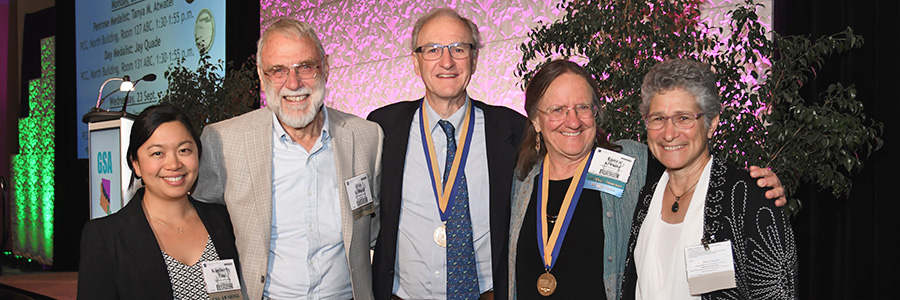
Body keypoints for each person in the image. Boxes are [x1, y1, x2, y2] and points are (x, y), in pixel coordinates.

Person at [507, 60, 788, 300]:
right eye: (558, 109)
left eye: (583, 107)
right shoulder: (523, 181)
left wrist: (759, 189)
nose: (573, 120)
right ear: (535, 120)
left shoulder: (633, 164)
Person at [192, 18, 384, 300]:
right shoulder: (223, 141)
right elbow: (202, 230)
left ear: (325, 68)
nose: (293, 83)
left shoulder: (367, 137)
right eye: (278, 70)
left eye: (305, 66)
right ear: (262, 77)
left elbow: (375, 228)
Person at [368, 7, 527, 300]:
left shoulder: (513, 130)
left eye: (458, 49)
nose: (447, 61)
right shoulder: (382, 128)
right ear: (416, 62)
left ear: (474, 59)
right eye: (432, 50)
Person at [621, 58, 797, 299]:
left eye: (683, 118)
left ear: (711, 124)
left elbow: (778, 293)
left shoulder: (748, 196)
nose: (669, 134)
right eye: (658, 118)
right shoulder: (646, 197)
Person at [78, 104, 240, 299]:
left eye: (184, 150)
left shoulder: (223, 219)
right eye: (157, 153)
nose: (174, 164)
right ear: (136, 164)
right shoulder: (106, 236)